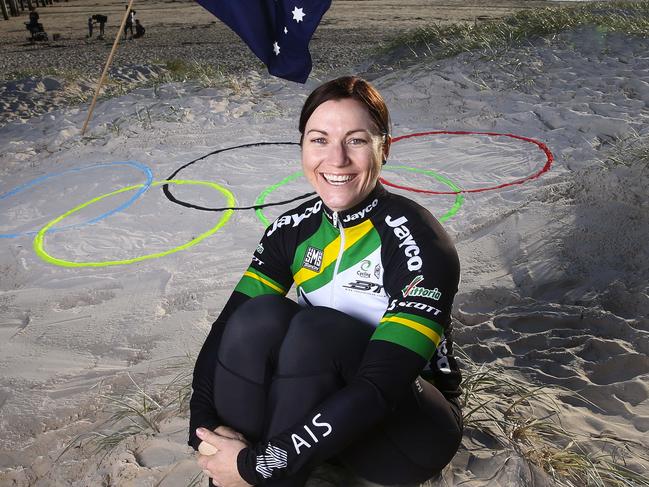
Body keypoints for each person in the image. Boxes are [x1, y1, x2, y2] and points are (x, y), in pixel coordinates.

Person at [189, 76, 463, 487]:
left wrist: (259, 465)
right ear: (302, 146)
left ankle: (264, 475)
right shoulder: (291, 230)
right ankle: (236, 474)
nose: (336, 160)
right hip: (320, 418)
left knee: (317, 329)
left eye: (355, 140)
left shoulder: (419, 240)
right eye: (319, 140)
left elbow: (378, 388)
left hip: (406, 432)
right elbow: (227, 330)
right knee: (257, 318)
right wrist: (205, 428)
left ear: (383, 148)